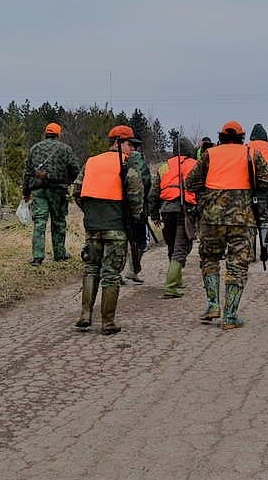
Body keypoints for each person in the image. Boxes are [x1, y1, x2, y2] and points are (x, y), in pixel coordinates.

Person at [185, 120, 268, 329]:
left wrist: (209, 191)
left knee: (209, 260)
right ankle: (230, 316)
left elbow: (190, 182)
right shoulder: (250, 154)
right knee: (237, 266)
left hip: (211, 218)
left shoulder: (210, 154)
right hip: (242, 220)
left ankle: (213, 305)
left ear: (221, 137)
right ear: (242, 137)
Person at [72, 125, 145, 335]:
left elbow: (77, 191)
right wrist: (134, 217)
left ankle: (85, 315)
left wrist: (91, 211)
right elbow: (135, 197)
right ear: (118, 143)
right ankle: (107, 322)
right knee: (111, 274)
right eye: (130, 144)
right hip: (116, 228)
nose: (132, 149)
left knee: (91, 269)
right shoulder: (127, 165)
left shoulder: (91, 162)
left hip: (92, 227)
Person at [22, 122, 80, 266]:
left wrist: (26, 192)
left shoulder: (34, 148)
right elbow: (75, 170)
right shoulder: (65, 149)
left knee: (39, 223)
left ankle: (37, 256)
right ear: (59, 134)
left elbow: (28, 172)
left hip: (38, 191)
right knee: (59, 222)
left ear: (45, 133)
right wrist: (69, 182)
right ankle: (60, 254)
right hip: (58, 191)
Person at [149, 136, 198, 298]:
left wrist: (154, 214)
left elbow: (153, 193)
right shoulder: (195, 165)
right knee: (181, 249)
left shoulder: (164, 166)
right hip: (186, 212)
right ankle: (170, 287)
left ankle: (177, 280)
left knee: (172, 247)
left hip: (166, 211)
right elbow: (202, 191)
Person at [123, 133, 152, 284]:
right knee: (140, 241)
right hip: (136, 207)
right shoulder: (137, 159)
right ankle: (132, 270)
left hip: (116, 207)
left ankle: (114, 273)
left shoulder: (115, 159)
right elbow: (146, 181)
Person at [247, 123, 268, 256]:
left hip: (249, 189)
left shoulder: (246, 148)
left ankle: (251, 250)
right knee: (265, 219)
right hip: (266, 191)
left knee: (251, 220)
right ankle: (264, 246)